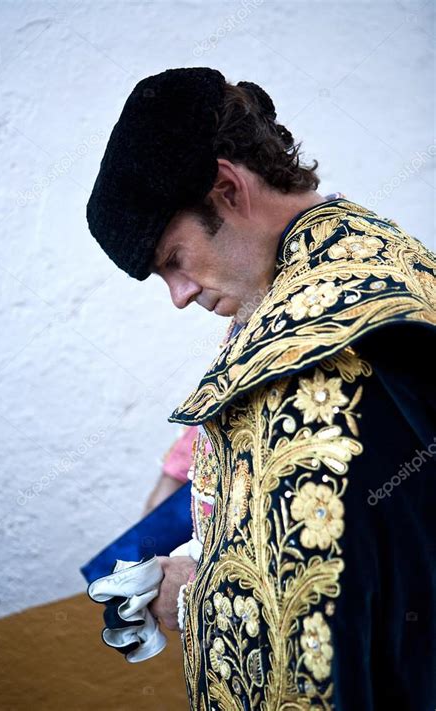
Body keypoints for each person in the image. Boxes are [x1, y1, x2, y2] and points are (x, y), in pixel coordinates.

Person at [86, 67, 436, 710]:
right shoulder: (371, 260)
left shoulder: (313, 347)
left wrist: (186, 597)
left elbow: (321, 612)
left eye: (174, 260)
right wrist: (192, 558)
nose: (180, 295)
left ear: (227, 188)